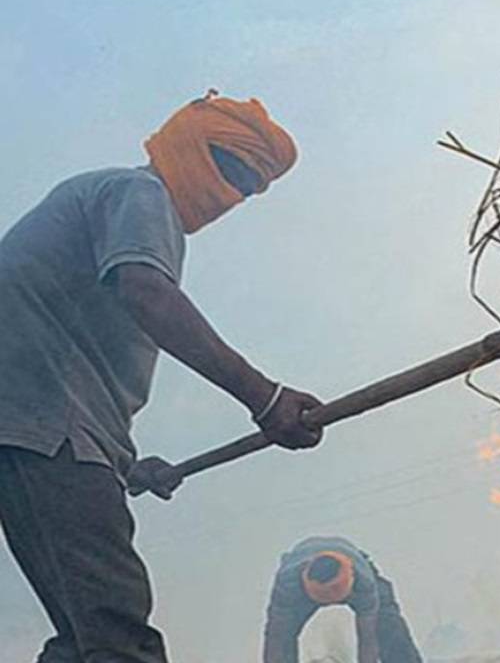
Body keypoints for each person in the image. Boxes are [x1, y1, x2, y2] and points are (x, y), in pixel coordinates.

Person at [0, 90, 325, 662]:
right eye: (228, 169)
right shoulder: (139, 192)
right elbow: (147, 294)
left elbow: (67, 351)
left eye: (247, 189)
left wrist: (125, 463)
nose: (231, 195)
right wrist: (265, 397)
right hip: (51, 437)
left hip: (47, 437)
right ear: (185, 144)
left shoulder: (110, 202)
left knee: (86, 641)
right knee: (117, 637)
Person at [264, 536, 423, 663]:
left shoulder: (363, 582)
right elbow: (276, 637)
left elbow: (368, 637)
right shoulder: (289, 585)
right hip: (300, 574)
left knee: (389, 623)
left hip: (355, 564)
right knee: (282, 642)